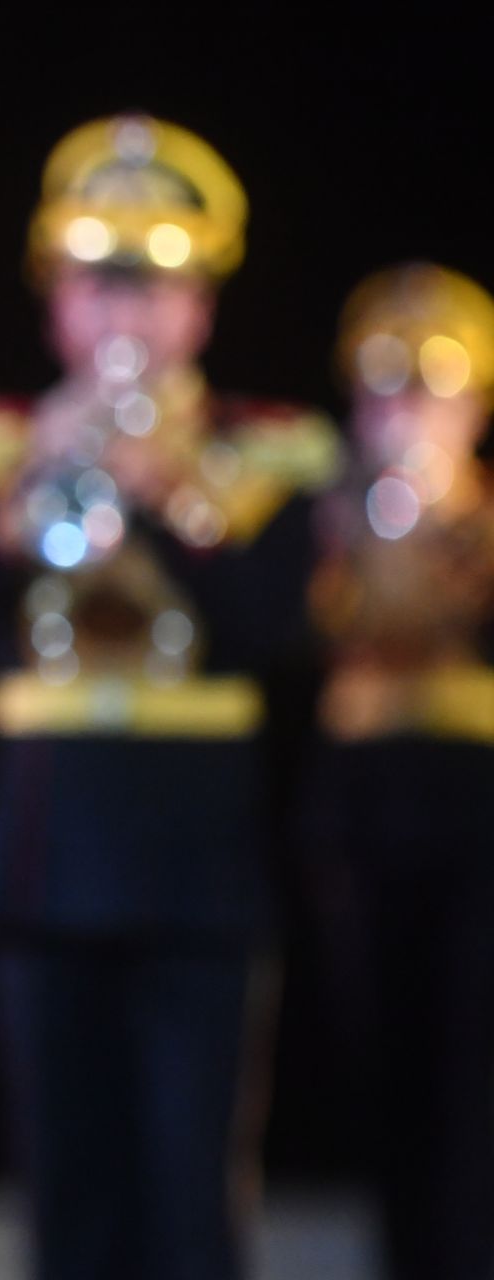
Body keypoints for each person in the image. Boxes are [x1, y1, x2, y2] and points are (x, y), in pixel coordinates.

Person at [0, 114, 340, 1279]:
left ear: (201, 307)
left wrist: (179, 495)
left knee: (191, 1195)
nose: (126, 319)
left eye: (154, 287)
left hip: (196, 868)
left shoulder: (270, 452)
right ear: (57, 302)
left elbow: (279, 637)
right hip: (43, 856)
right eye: (99, 285)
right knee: (68, 1194)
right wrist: (18, 509)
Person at [299, 263, 494, 1280]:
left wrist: (448, 515)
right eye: (389, 384)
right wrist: (380, 520)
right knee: (386, 1065)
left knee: (474, 1070)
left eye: (437, 382)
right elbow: (313, 631)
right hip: (366, 803)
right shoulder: (329, 514)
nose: (412, 406)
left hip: (474, 801)